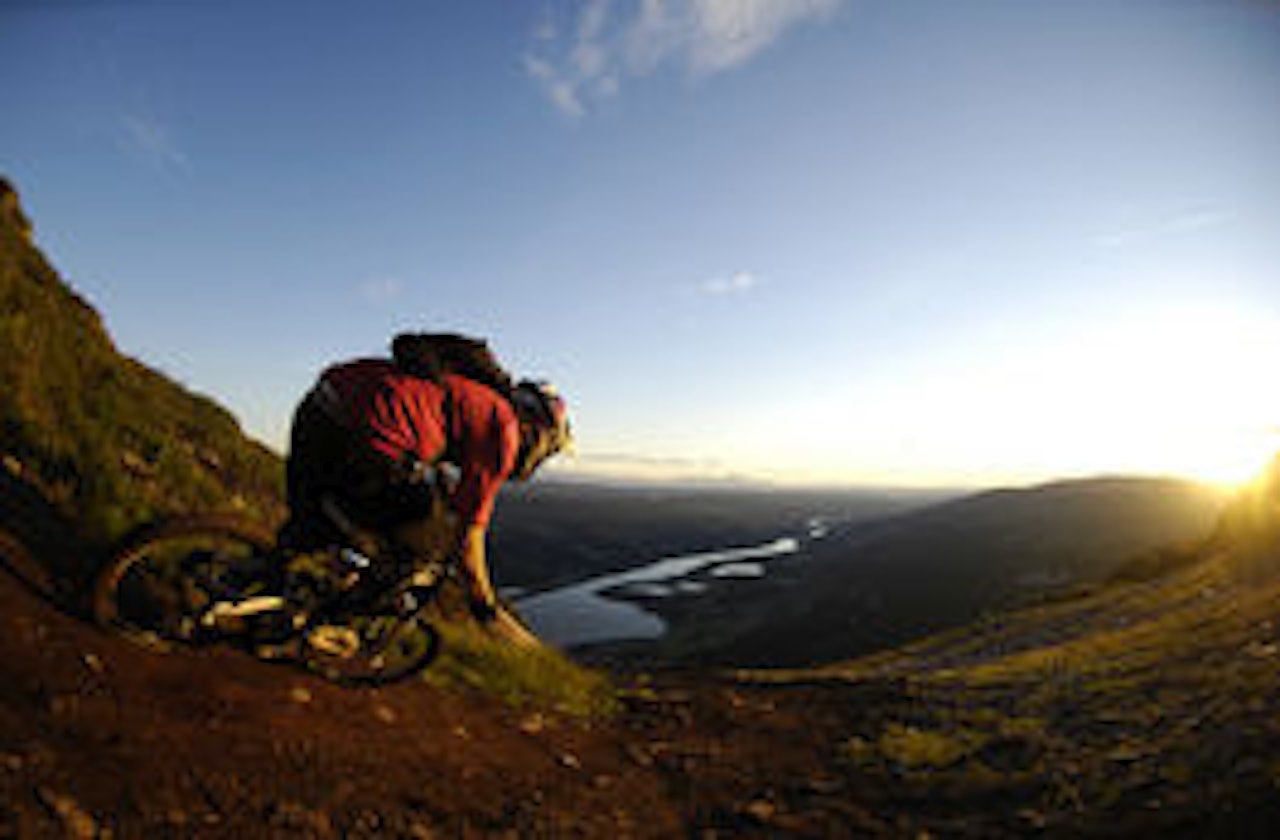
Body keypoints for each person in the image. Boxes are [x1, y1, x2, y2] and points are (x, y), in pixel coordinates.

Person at [278, 333, 571, 646]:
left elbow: (439, 459)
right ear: (540, 433)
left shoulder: (472, 393)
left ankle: (252, 588)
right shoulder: (505, 433)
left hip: (322, 403)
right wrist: (484, 605)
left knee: (313, 520)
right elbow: (469, 537)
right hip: (369, 436)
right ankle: (333, 623)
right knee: (421, 547)